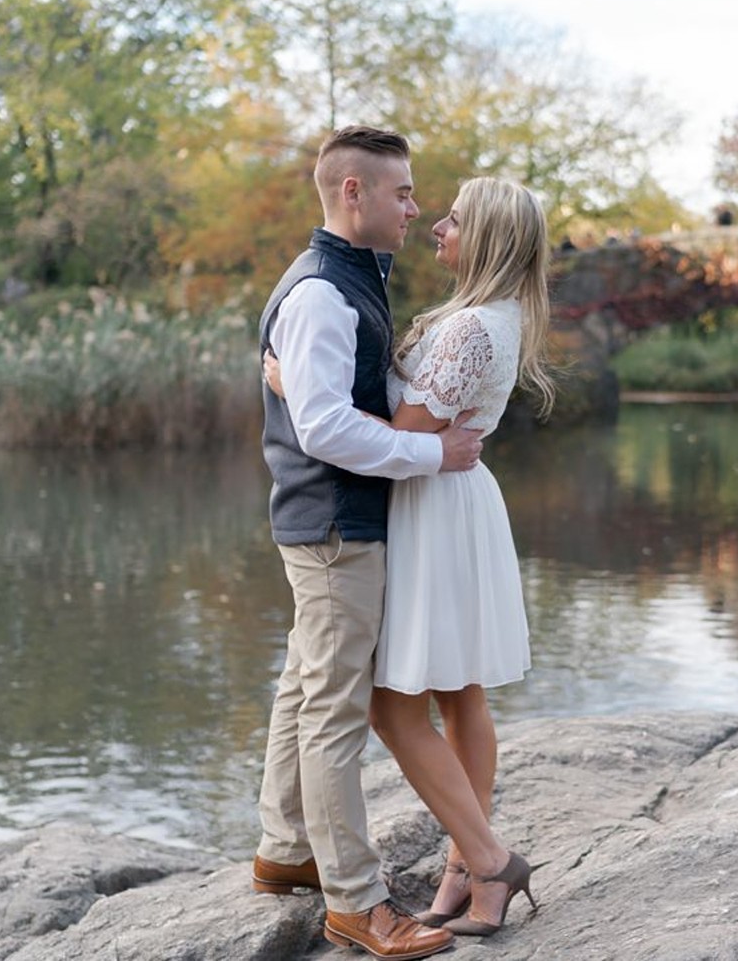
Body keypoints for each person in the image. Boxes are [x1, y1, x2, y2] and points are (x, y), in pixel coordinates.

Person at [263, 175, 554, 939]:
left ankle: (486, 860)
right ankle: (468, 870)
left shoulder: (467, 330)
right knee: (459, 694)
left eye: (453, 220)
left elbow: (403, 423)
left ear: (485, 238)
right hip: (449, 500)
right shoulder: (489, 314)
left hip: (433, 504)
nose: (436, 226)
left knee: (396, 706)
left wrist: (298, 383)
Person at [254, 125, 483, 961]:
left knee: (303, 684)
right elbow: (320, 428)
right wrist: (434, 451)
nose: (415, 208)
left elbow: (329, 397)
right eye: (403, 193)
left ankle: (285, 852)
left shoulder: (351, 279)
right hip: (335, 526)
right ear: (354, 192)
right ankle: (355, 902)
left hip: (332, 523)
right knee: (334, 710)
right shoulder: (322, 289)